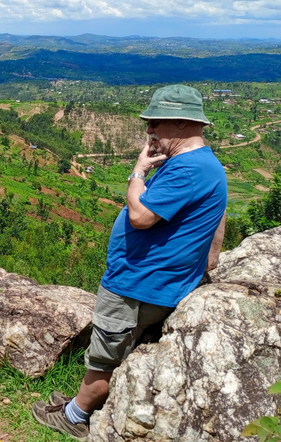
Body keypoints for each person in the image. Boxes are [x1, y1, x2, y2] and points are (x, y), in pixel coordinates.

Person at [32, 84, 227, 441]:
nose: (149, 130)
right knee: (111, 346)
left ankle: (75, 415)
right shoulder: (207, 165)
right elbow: (218, 216)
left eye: (155, 122)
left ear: (182, 124)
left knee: (104, 355)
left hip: (137, 285)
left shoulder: (187, 169)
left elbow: (140, 216)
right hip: (152, 282)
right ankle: (79, 402)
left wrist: (137, 173)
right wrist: (208, 260)